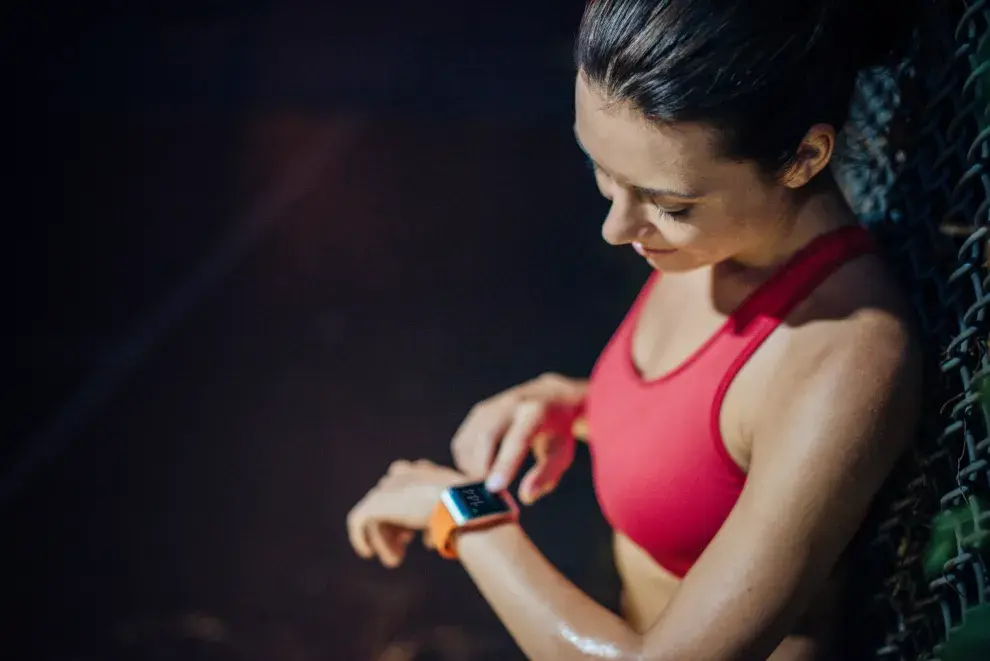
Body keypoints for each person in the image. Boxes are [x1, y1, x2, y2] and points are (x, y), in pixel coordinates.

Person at [346, 1, 924, 659]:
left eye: (668, 203)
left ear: (804, 157)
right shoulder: (712, 239)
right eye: (602, 168)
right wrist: (581, 404)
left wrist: (463, 512)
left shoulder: (843, 354)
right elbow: (719, 438)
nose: (615, 228)